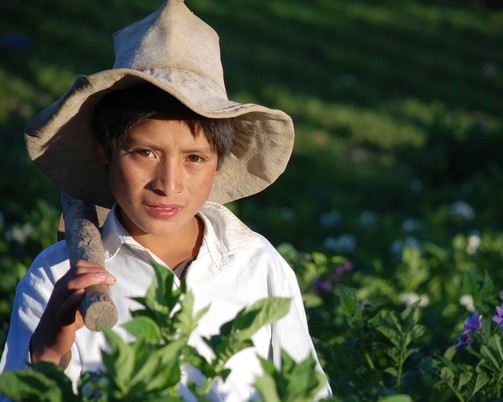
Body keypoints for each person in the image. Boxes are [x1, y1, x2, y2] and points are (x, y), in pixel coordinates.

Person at [0, 0, 331, 400]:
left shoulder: (258, 267)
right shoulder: (57, 281)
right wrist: (48, 352)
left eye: (194, 158)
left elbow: (308, 393)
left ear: (218, 163)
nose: (168, 184)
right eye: (145, 153)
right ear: (105, 149)